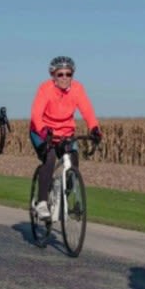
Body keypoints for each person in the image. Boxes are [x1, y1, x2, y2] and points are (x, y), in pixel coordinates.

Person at [29, 55, 102, 220]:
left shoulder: (77, 89)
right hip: (42, 132)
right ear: (53, 75)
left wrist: (94, 128)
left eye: (68, 74)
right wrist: (42, 130)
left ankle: (63, 200)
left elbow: (87, 110)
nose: (64, 78)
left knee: (73, 165)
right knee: (50, 157)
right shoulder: (45, 89)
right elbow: (36, 114)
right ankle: (41, 202)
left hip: (65, 134)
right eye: (60, 74)